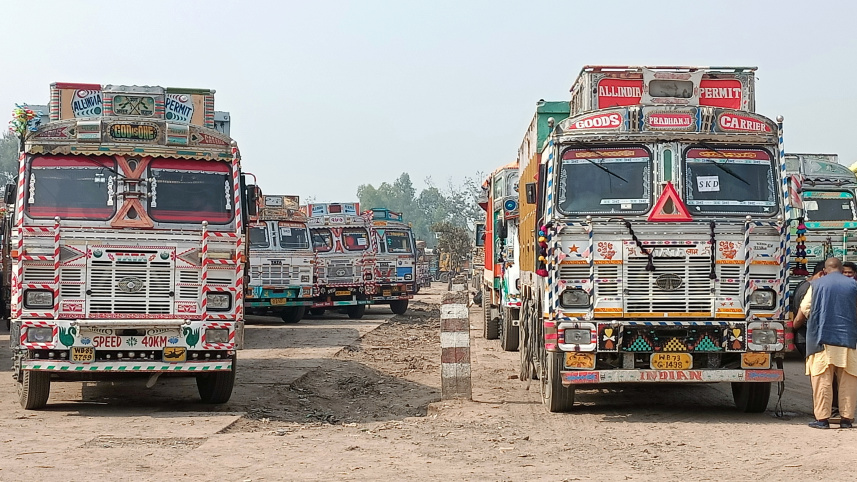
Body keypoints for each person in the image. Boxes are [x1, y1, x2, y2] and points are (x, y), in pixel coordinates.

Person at [794, 257, 857, 429]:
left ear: (825, 270)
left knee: (822, 380)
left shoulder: (815, 285)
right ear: (841, 269)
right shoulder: (853, 285)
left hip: (821, 341)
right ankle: (846, 419)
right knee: (848, 381)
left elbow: (804, 310)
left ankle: (822, 419)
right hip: (848, 341)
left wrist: (794, 326)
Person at [791, 261, 826, 357]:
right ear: (821, 273)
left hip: (803, 336)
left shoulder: (803, 284)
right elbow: (801, 315)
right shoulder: (811, 287)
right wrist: (794, 327)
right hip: (807, 336)